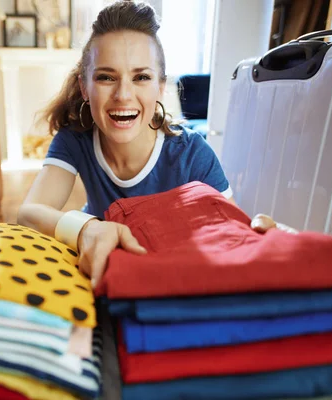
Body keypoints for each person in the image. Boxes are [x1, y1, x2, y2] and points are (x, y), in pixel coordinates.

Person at [18, 0, 293, 286]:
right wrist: (86, 228)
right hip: (99, 273)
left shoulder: (193, 155)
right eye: (105, 77)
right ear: (84, 87)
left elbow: (234, 234)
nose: (123, 94)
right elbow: (29, 213)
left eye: (141, 77)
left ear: (160, 87)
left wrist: (261, 234)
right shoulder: (74, 140)